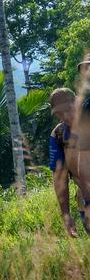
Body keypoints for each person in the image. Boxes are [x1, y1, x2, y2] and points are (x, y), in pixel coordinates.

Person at [48, 87, 90, 237]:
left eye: (68, 109)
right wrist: (66, 214)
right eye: (59, 113)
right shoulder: (58, 135)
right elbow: (60, 179)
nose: (65, 116)